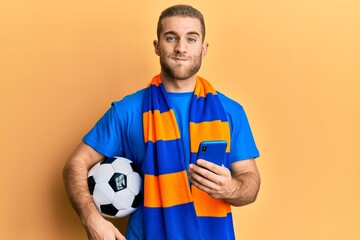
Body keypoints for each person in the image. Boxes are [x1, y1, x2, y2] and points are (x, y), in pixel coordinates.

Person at [63, 4, 260, 240]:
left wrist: (230, 188)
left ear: (204, 48)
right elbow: (76, 163)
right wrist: (92, 220)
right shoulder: (127, 110)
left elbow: (251, 181)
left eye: (191, 39)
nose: (180, 48)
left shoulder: (230, 112)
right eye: (171, 37)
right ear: (157, 46)